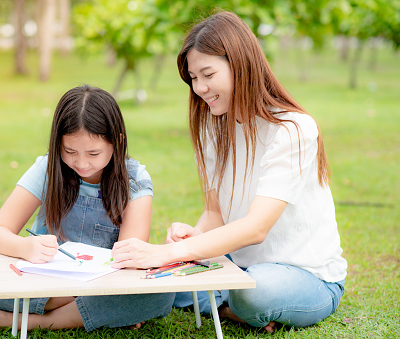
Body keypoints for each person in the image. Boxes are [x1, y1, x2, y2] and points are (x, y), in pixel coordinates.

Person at [111, 11, 347, 333]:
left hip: (304, 275)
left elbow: (255, 228)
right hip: (238, 265)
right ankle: (228, 303)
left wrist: (169, 252)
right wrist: (194, 237)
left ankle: (231, 303)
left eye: (208, 74)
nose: (200, 88)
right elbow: (214, 214)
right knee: (165, 282)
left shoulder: (293, 129)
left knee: (256, 291)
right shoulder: (212, 125)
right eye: (193, 78)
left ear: (240, 64)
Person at [0, 85, 175, 334]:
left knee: (162, 295)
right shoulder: (48, 169)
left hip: (102, 281)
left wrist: (103, 287)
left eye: (94, 153)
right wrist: (25, 247)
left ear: (118, 142)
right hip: (45, 279)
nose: (81, 163)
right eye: (70, 151)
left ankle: (29, 320)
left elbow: (129, 259)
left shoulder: (134, 179)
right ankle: (96, 313)